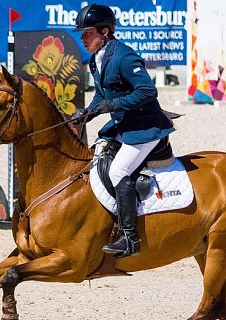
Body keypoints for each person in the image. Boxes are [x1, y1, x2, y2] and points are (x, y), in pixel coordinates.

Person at [71, 3, 175, 258]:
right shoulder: (97, 59)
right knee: (98, 151)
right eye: (82, 34)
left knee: (119, 170)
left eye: (87, 33)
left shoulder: (124, 56)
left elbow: (148, 91)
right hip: (123, 124)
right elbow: (101, 95)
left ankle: (130, 238)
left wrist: (114, 104)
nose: (83, 39)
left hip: (145, 126)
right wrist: (88, 113)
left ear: (104, 32)